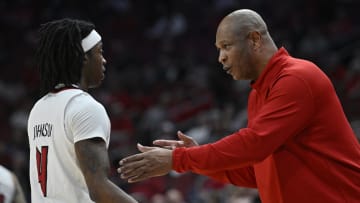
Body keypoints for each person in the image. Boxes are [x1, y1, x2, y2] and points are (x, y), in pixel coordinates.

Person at [118, 9, 360, 203]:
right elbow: (256, 172)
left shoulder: (296, 78)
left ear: (254, 40)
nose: (220, 57)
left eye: (226, 46)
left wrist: (180, 159)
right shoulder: (258, 93)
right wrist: (196, 159)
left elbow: (254, 144)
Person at [27, 18, 137, 203]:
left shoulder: (39, 107)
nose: (104, 59)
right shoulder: (84, 107)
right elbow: (99, 187)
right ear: (84, 56)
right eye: (99, 51)